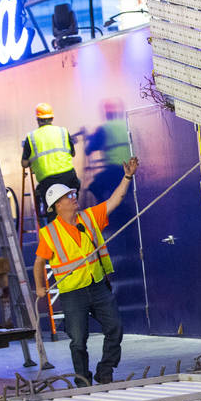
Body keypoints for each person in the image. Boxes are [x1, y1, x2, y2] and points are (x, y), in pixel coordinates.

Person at [33, 157, 139, 386]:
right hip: (73, 294)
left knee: (115, 328)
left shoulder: (90, 217)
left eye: (73, 194)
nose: (74, 198)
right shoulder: (49, 233)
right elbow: (39, 262)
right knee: (78, 340)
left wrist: (128, 176)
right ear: (58, 205)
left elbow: (115, 200)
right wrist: (40, 287)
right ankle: (83, 381)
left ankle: (105, 370)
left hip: (98, 286)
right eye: (69, 196)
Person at [22, 102, 79, 222]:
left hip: (48, 182)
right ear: (52, 118)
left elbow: (24, 163)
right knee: (73, 200)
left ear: (38, 119)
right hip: (68, 177)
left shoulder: (31, 137)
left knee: (53, 214)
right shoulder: (63, 132)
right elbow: (73, 153)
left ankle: (56, 237)